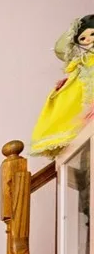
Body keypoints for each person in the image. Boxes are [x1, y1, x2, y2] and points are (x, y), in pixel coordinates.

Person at [32, 15, 94, 156]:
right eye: (82, 38)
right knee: (72, 107)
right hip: (83, 88)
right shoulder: (82, 60)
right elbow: (61, 49)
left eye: (92, 34)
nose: (88, 40)